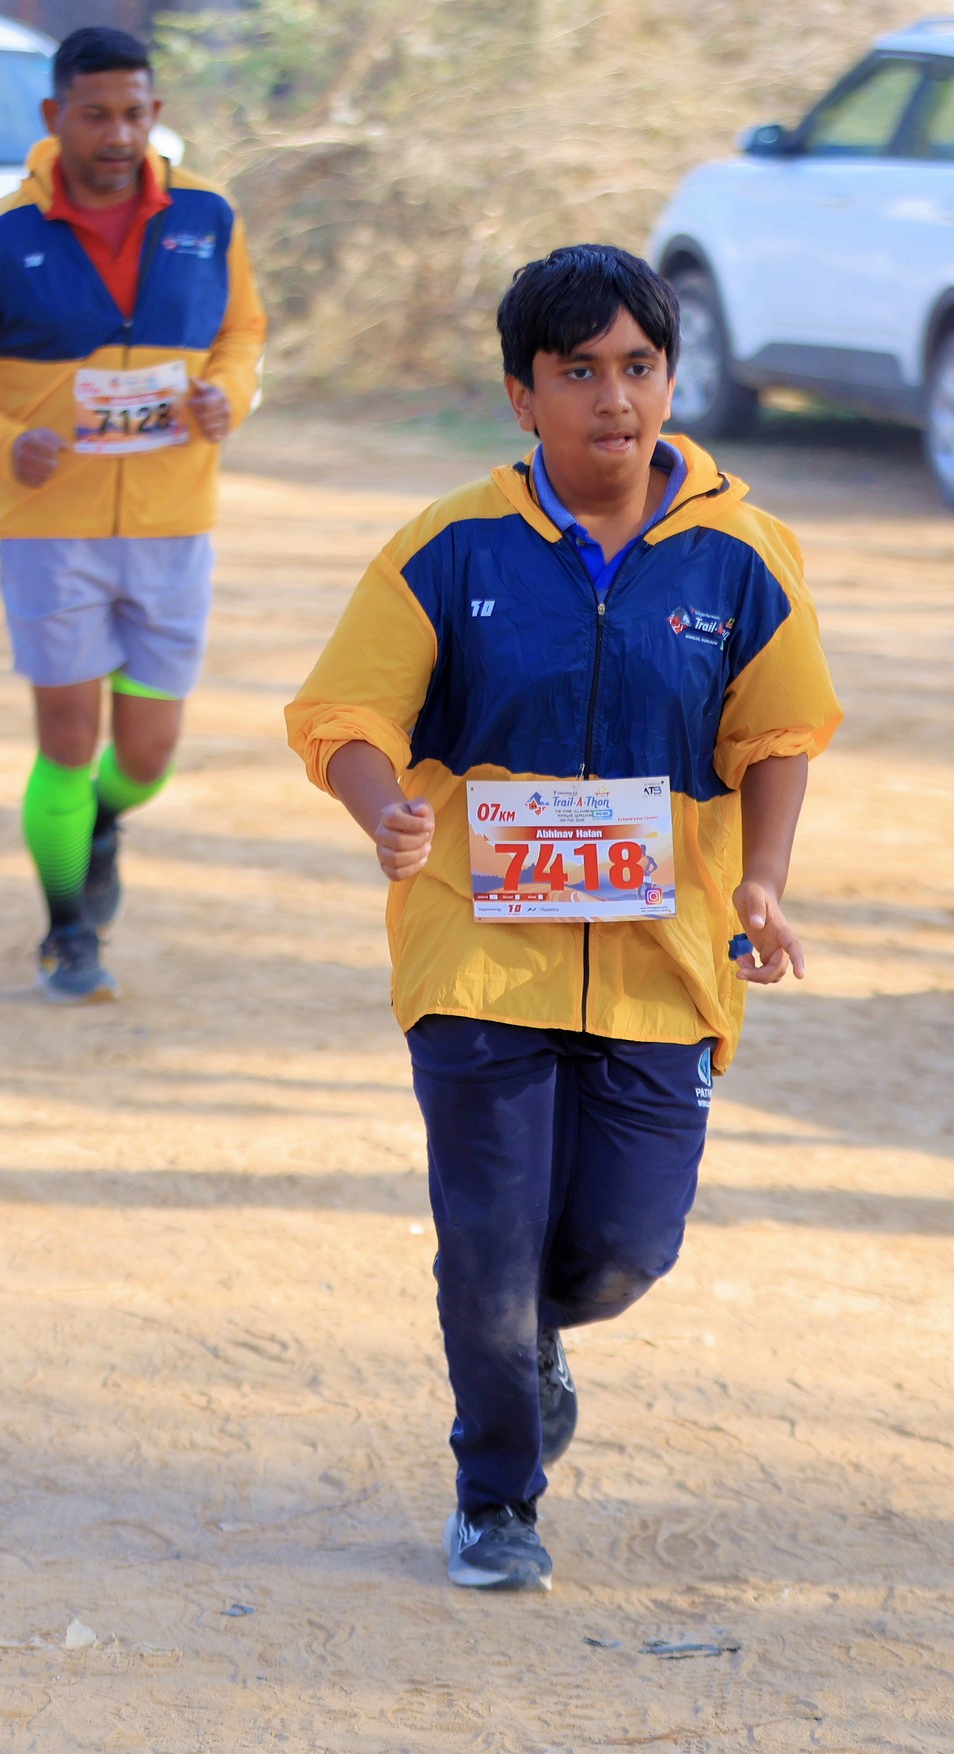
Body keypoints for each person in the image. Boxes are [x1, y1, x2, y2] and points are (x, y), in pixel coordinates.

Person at [286, 246, 841, 1592]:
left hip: (663, 958)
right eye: (578, 371)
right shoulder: (449, 547)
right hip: (477, 947)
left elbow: (777, 733)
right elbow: (345, 713)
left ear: (672, 380)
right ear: (521, 396)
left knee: (621, 1249)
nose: (614, 399)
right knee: (489, 1235)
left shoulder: (743, 556)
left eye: (639, 367)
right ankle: (496, 1497)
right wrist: (384, 809)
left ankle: (531, 1338)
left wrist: (763, 880)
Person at [0, 26, 266, 1003]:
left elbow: (243, 332)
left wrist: (230, 395)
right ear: (54, 116)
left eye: (135, 113)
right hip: (48, 530)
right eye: (96, 115)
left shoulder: (207, 218)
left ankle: (100, 822)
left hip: (174, 523)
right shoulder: (2, 237)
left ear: (156, 114)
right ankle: (69, 931)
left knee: (147, 754)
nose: (118, 135)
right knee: (66, 738)